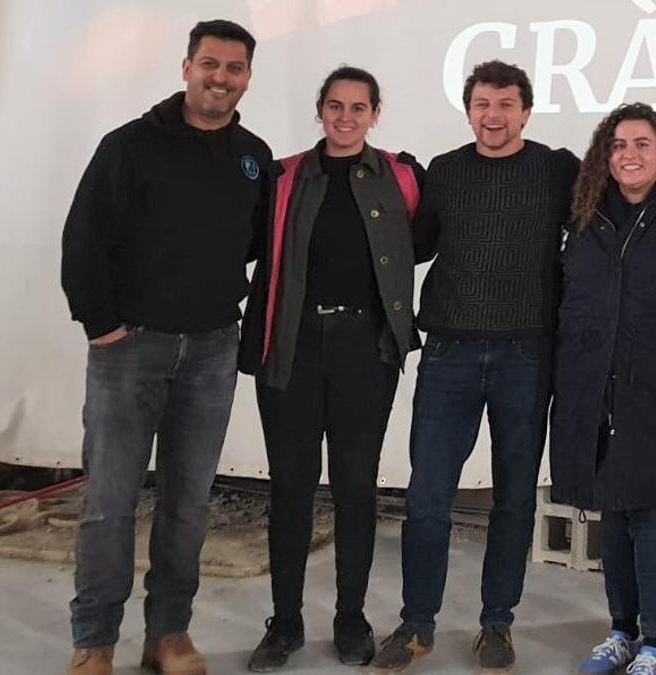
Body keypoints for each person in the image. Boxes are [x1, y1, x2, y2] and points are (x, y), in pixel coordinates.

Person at [59, 19, 270, 675]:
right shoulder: (129, 146)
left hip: (211, 352)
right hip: (131, 351)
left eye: (234, 68)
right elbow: (83, 241)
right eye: (210, 63)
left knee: (188, 504)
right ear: (186, 67)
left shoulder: (253, 156)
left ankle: (168, 635)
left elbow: (258, 246)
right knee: (110, 503)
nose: (220, 77)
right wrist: (103, 327)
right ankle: (94, 641)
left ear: (247, 78)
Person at [368, 60, 579, 675]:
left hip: (526, 353)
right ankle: (415, 625)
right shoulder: (446, 171)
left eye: (506, 104)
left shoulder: (556, 169)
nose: (494, 115)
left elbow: (593, 232)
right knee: (428, 495)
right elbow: (417, 247)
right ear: (469, 111)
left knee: (514, 498)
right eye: (483, 104)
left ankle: (497, 624)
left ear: (526, 111)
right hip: (450, 352)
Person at [237, 65, 423, 672]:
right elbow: (250, 248)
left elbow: (420, 244)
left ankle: (350, 619)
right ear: (320, 109)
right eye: (335, 106)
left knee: (355, 487)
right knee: (290, 486)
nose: (346, 118)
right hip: (292, 346)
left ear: (375, 113)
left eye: (358, 108)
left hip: (365, 352)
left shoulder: (400, 176)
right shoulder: (285, 175)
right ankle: (284, 623)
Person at [549, 103, 656, 675]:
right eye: (617, 145)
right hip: (596, 383)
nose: (629, 154)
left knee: (655, 517)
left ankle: (655, 645)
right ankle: (619, 630)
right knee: (612, 514)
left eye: (641, 143)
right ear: (604, 156)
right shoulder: (587, 214)